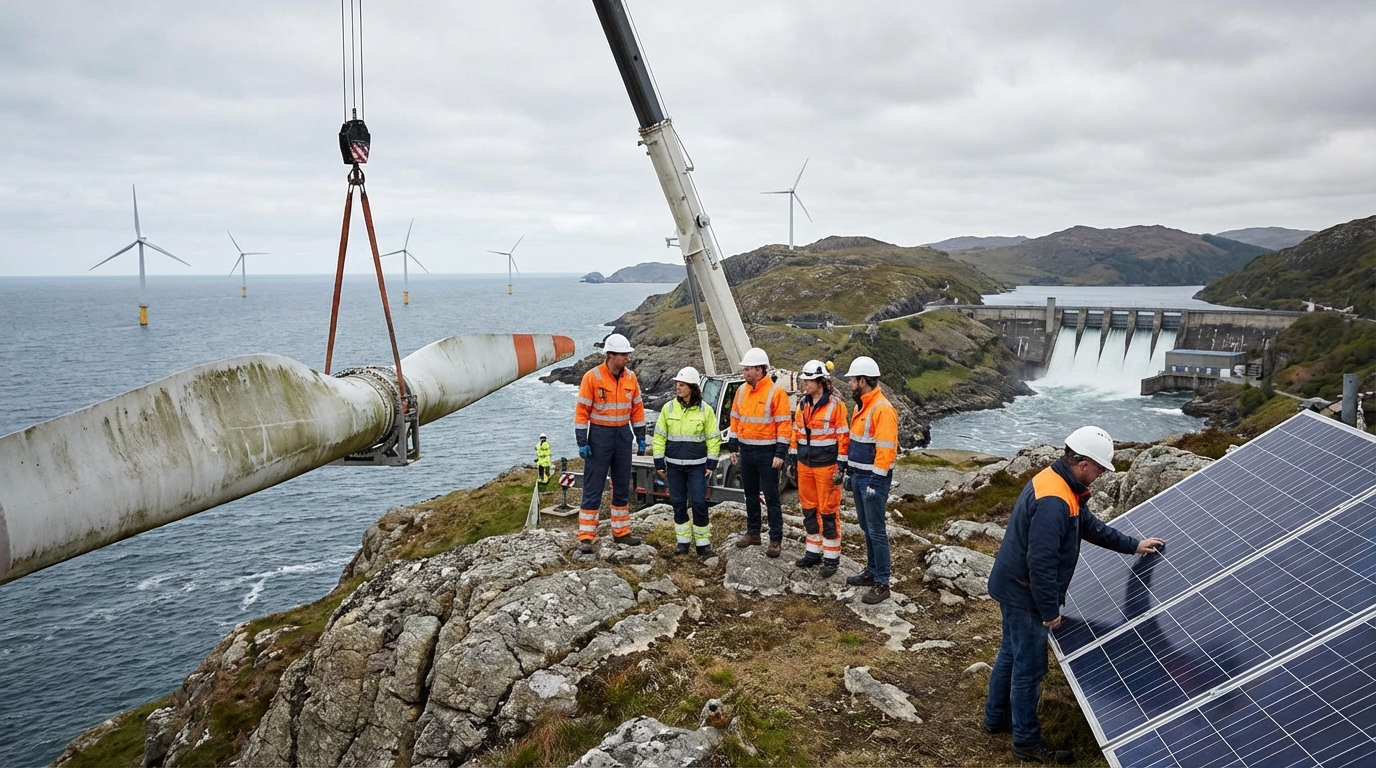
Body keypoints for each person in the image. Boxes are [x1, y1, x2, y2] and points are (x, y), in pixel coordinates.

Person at [983, 426, 1166, 765]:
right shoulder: (1055, 500)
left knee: (1011, 652)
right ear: (1083, 463)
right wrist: (1049, 609)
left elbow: (1089, 526)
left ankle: (995, 720)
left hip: (1012, 586)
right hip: (1024, 593)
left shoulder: (1059, 482)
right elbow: (1040, 562)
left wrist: (1133, 545)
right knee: (1029, 668)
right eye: (1099, 468)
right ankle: (1026, 741)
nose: (1099, 476)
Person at [573, 333, 646, 555]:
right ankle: (586, 536)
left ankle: (621, 532)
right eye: (623, 355)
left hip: (623, 436)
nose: (627, 358)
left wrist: (640, 436)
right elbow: (582, 411)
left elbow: (637, 409)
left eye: (627, 355)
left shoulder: (631, 378)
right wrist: (582, 441)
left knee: (622, 484)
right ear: (611, 355)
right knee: (593, 485)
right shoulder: (592, 377)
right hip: (599, 437)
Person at [842, 356, 899, 604]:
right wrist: (849, 473)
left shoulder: (882, 409)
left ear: (863, 381)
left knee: (876, 530)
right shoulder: (860, 407)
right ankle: (872, 571)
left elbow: (886, 450)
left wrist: (875, 483)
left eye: (853, 380)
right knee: (867, 527)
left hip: (873, 480)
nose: (850, 384)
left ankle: (882, 582)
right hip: (859, 476)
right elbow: (855, 444)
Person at [726, 347, 792, 557]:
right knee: (750, 495)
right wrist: (733, 447)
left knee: (772, 497)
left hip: (767, 453)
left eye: (748, 369)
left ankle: (775, 540)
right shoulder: (741, 391)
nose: (745, 373)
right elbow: (735, 419)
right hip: (747, 452)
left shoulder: (776, 393)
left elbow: (784, 425)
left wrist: (780, 454)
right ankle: (753, 533)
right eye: (744, 370)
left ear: (760, 369)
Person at [652, 366, 720, 557]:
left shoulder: (705, 411)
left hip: (697, 467)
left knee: (699, 503)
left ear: (692, 387)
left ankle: (703, 544)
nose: (678, 388)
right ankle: (683, 543)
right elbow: (659, 438)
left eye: (682, 385)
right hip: (673, 467)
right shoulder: (668, 408)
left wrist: (711, 464)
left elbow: (713, 438)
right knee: (678, 503)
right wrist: (659, 463)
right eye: (677, 384)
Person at [789, 359, 848, 578]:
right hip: (805, 464)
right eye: (804, 380)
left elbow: (843, 436)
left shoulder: (836, 405)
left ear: (820, 381)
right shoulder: (803, 403)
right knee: (809, 509)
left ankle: (831, 560)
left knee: (828, 512)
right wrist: (793, 459)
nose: (805, 383)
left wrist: (841, 466)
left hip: (827, 466)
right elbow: (797, 431)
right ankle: (813, 552)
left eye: (808, 380)